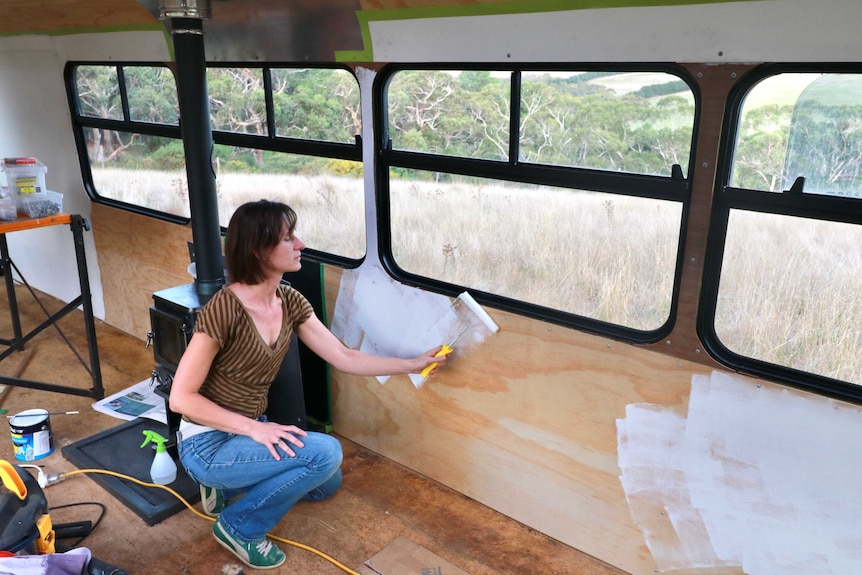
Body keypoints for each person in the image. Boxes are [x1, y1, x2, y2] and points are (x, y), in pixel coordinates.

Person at [169, 199, 446, 570]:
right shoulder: (224, 308)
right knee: (325, 453)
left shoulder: (289, 300)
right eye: (288, 238)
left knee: (325, 482)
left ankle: (227, 486)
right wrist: (255, 429)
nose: (300, 245)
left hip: (249, 434)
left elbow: (344, 357)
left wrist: (412, 364)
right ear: (258, 250)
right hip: (208, 442)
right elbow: (180, 398)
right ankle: (238, 527)